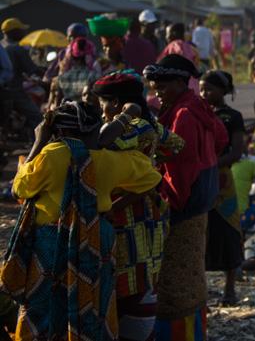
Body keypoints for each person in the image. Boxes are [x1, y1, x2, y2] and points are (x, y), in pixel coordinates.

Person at [7, 101, 162, 340]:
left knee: (44, 306)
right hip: (97, 238)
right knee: (94, 303)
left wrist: (39, 141)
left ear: (59, 131)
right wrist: (113, 205)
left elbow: (19, 188)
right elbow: (151, 177)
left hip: (52, 242)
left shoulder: (51, 154)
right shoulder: (110, 159)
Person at [93, 71, 184, 341]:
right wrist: (152, 161)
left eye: (103, 102)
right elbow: (176, 144)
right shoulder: (150, 125)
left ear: (116, 103)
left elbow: (102, 141)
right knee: (141, 271)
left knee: (128, 272)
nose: (100, 108)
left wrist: (125, 117)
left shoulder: (131, 127)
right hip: (146, 208)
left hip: (125, 211)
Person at [143, 54, 228, 339]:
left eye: (162, 87)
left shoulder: (183, 115)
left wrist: (167, 203)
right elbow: (221, 138)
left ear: (180, 83)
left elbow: (180, 167)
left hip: (184, 205)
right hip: (201, 202)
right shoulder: (198, 106)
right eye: (154, 88)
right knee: (193, 274)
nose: (157, 93)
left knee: (176, 281)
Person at [199, 70, 246, 306]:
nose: (204, 93)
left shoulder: (233, 117)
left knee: (228, 230)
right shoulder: (198, 114)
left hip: (222, 180)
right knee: (201, 231)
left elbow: (236, 152)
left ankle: (229, 290)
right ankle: (201, 290)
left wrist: (210, 164)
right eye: (201, 89)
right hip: (200, 178)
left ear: (223, 91)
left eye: (209, 89)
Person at [2, 17, 44, 129]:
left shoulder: (1, 46)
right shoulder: (17, 49)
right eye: (21, 30)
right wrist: (47, 74)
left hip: (3, 89)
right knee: (38, 118)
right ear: (14, 32)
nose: (24, 33)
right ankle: (37, 139)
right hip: (14, 92)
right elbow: (32, 69)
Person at [49, 36, 100, 105]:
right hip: (86, 111)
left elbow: (57, 102)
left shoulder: (60, 79)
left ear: (72, 56)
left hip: (67, 110)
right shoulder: (94, 77)